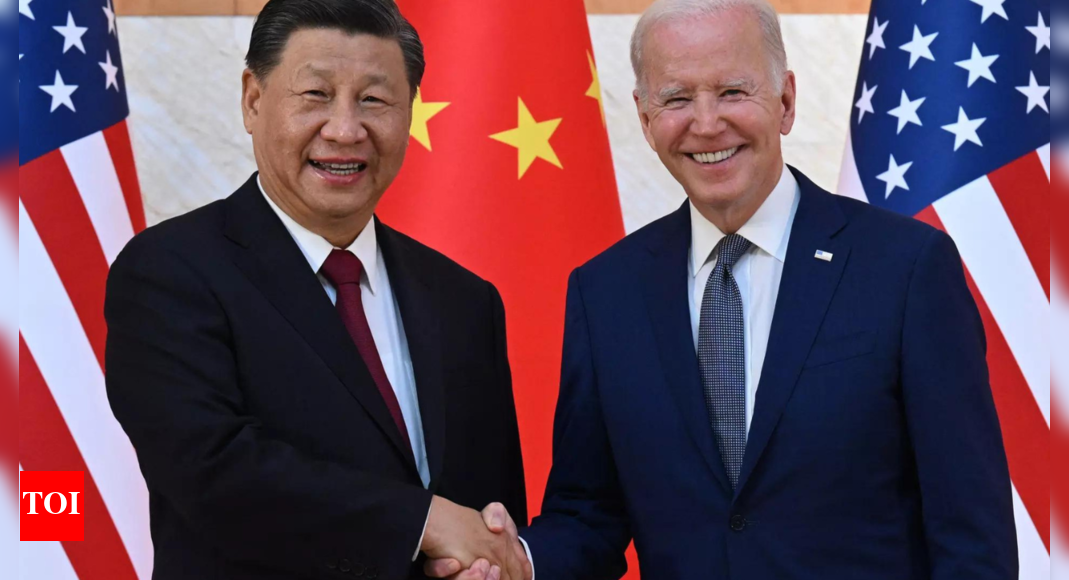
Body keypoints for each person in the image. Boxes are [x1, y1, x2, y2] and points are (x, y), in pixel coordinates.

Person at [429, 0, 1017, 579]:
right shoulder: (605, 291)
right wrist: (518, 562)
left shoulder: (906, 267)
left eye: (733, 92)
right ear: (644, 119)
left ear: (785, 101)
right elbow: (590, 512)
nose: (706, 123)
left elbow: (970, 530)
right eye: (676, 98)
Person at [104, 1, 531, 578]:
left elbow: (490, 516)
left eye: (374, 100)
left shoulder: (463, 300)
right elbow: (212, 473)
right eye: (316, 95)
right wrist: (420, 523)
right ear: (253, 100)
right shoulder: (169, 272)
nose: (345, 130)